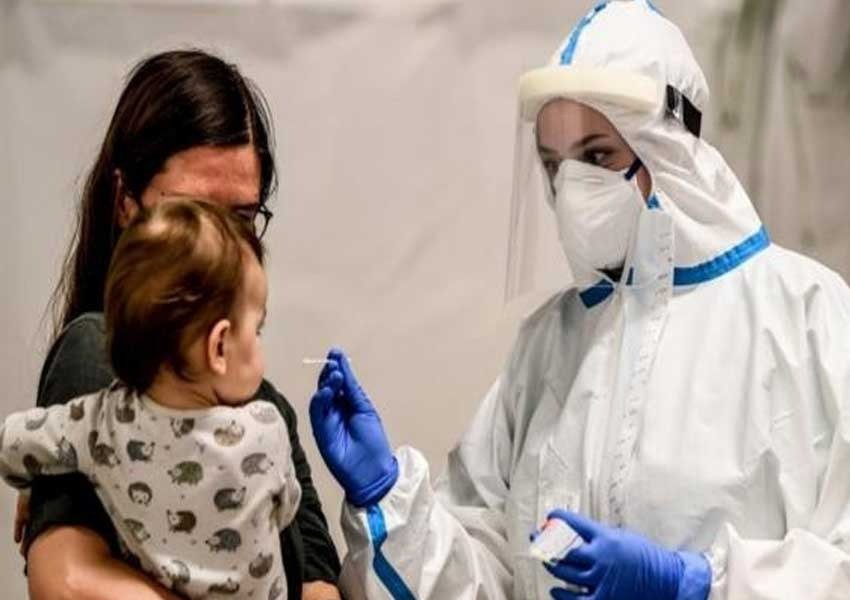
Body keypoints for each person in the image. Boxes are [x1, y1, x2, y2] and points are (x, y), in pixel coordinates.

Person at [308, 2, 850, 599]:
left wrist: (697, 584)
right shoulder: (551, 343)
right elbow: (488, 573)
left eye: (596, 157)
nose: (570, 188)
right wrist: (389, 501)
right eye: (553, 164)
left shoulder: (807, 317)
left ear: (670, 150)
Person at [21, 50, 341, 600]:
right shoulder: (100, 354)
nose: (223, 246)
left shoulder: (269, 413)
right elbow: (65, 583)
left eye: (242, 217)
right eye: (192, 211)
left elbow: (318, 583)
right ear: (126, 203)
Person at [4, 200, 300, 598]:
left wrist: (32, 484)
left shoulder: (99, 423)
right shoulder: (266, 428)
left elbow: (12, 443)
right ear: (219, 347)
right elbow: (287, 507)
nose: (260, 347)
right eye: (257, 331)